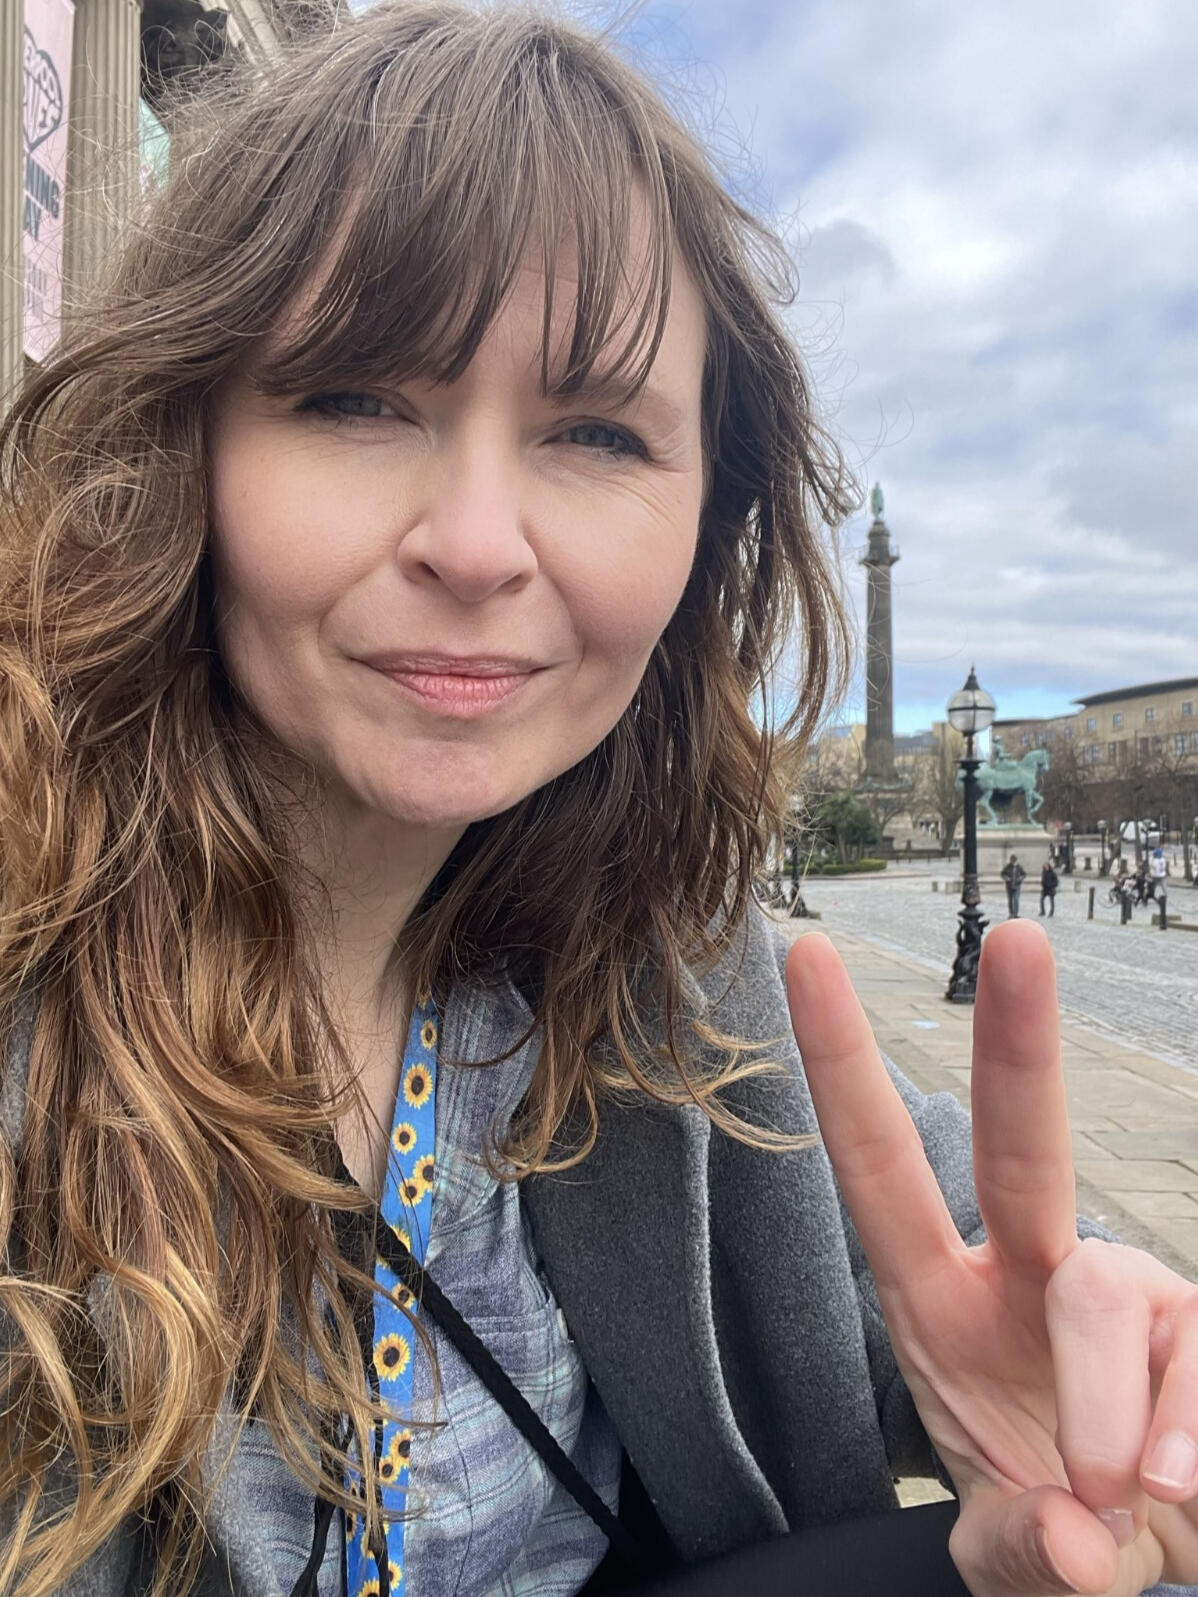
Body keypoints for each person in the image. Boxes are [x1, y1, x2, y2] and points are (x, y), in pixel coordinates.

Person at [2, 8, 1198, 1597]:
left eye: (595, 431)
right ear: (185, 439)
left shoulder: (680, 979)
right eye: (354, 397)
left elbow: (1004, 1264)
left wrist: (1110, 1417)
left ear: (708, 526)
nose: (480, 543)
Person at [1000, 852, 1026, 918]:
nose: (1013, 861)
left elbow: (1024, 874)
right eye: (1012, 860)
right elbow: (1002, 874)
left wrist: (1020, 878)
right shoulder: (1008, 866)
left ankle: (1015, 914)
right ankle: (1011, 913)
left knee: (1016, 900)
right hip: (1009, 886)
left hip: (1017, 886)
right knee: (1010, 900)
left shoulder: (1019, 867)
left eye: (1014, 860)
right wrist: (1006, 878)